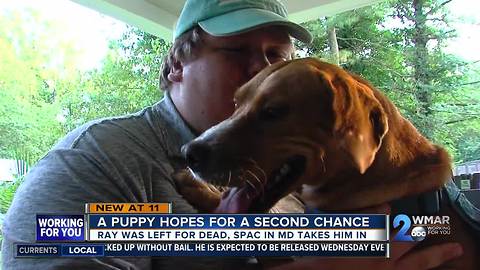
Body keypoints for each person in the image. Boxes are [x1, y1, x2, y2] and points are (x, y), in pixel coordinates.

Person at [1, 0, 464, 269]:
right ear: (177, 64)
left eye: (276, 56)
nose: (262, 71)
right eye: (236, 50)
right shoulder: (97, 160)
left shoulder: (288, 179)